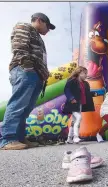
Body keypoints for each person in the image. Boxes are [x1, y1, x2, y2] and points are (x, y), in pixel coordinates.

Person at [0, 13, 55, 150]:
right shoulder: (24, 27)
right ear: (39, 20)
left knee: (26, 108)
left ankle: (19, 138)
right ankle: (7, 139)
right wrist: (29, 69)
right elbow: (20, 49)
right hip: (26, 71)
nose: (48, 30)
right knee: (18, 103)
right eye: (47, 26)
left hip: (35, 74)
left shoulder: (37, 36)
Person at [63, 66, 97, 144]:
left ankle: (69, 138)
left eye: (86, 73)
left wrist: (93, 94)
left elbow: (86, 93)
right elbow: (66, 89)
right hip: (73, 103)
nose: (86, 75)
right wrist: (71, 98)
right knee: (79, 118)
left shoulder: (85, 83)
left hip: (80, 104)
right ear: (79, 73)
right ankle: (76, 137)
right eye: (84, 73)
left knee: (74, 120)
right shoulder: (72, 81)